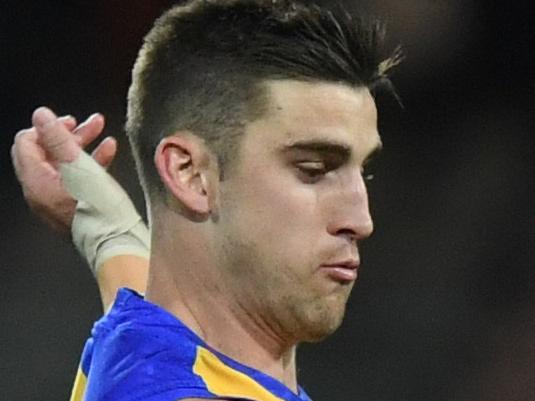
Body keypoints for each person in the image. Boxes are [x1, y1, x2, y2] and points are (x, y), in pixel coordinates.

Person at [12, 0, 401, 400]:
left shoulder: (142, 344)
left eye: (363, 171)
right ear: (189, 174)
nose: (361, 219)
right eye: (313, 170)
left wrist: (95, 218)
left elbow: (122, 254)